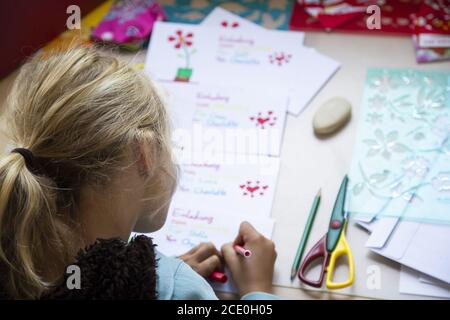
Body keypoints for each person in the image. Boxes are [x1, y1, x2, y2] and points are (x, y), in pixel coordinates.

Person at [0, 46, 278, 300]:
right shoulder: (180, 292)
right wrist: (258, 291)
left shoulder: (11, 250)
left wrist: (146, 275)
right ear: (143, 154)